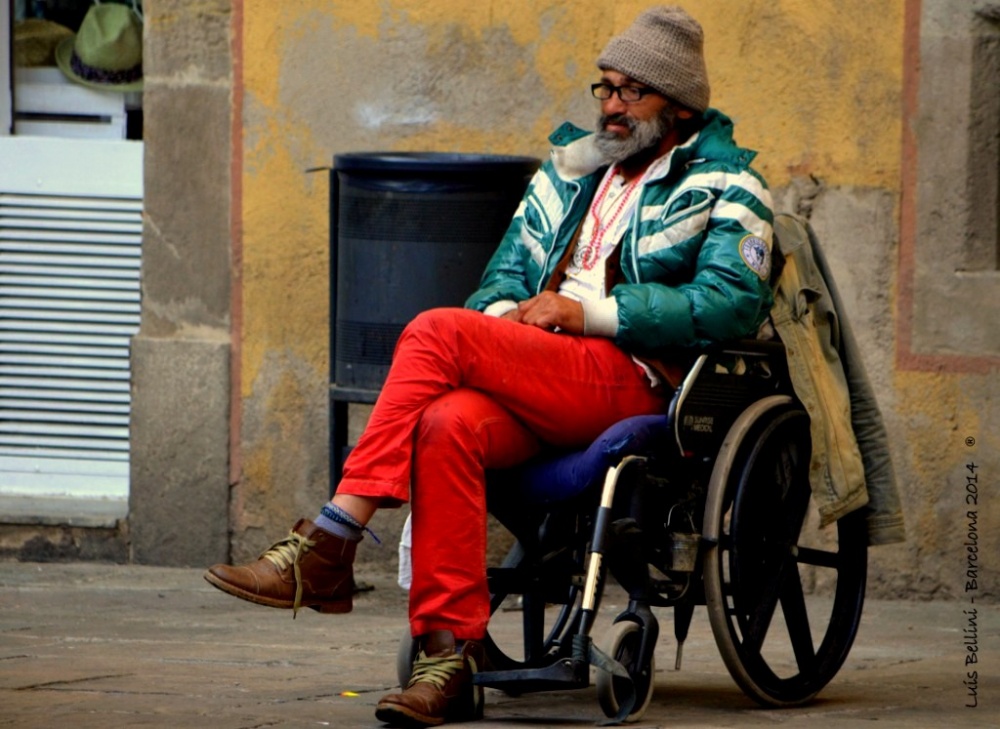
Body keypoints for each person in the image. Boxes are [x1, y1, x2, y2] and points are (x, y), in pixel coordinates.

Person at [205, 5, 774, 727]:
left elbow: (729, 304)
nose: (610, 106)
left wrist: (591, 312)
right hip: (539, 366)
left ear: (681, 103)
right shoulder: (573, 165)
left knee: (437, 331)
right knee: (446, 421)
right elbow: (501, 278)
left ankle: (334, 537)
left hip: (629, 374)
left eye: (632, 91)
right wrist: (515, 318)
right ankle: (448, 657)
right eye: (604, 87)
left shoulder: (729, 182)